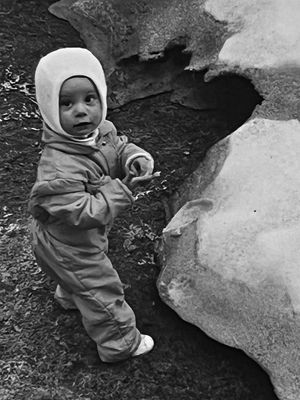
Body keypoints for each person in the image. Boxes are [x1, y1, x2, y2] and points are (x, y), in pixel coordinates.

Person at [28, 47, 156, 363]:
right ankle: (120, 344)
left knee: (78, 281)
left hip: (70, 241)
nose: (81, 111)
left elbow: (119, 146)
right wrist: (122, 190)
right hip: (68, 244)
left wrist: (136, 158)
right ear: (48, 108)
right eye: (66, 103)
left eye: (90, 98)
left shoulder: (102, 132)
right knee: (102, 290)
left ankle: (70, 294)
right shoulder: (58, 166)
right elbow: (81, 213)